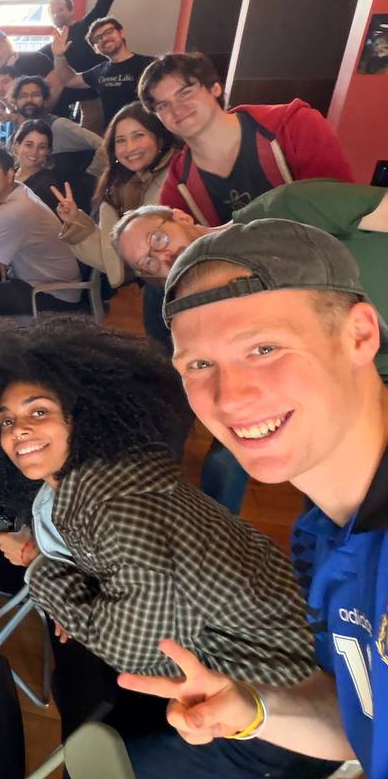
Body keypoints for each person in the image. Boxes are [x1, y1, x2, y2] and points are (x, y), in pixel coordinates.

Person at [0, 318, 339, 779]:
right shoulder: (109, 476)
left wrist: (37, 564)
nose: (18, 431)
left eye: (39, 412)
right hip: (247, 674)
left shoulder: (117, 510)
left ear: (83, 415)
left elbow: (140, 651)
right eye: (7, 421)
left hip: (281, 715)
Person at [120, 219, 388, 775]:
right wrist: (251, 711)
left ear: (360, 334)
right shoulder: (323, 531)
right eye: (199, 365)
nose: (231, 396)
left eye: (263, 348)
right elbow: (365, 720)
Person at [112, 179, 388, 378]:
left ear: (181, 217)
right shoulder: (231, 319)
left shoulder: (287, 207)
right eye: (149, 262)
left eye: (158, 238)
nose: (164, 255)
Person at [139, 52, 353, 224]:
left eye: (185, 93)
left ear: (215, 88)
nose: (177, 109)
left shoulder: (294, 125)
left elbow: (340, 208)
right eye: (163, 105)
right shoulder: (178, 189)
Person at [54, 102, 181, 341]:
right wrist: (75, 221)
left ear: (159, 139)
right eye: (120, 140)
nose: (129, 147)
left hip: (175, 297)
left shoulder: (172, 182)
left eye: (138, 136)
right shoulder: (122, 187)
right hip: (147, 301)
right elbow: (110, 261)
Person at [0, 141, 85, 322]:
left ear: (9, 175)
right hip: (27, 276)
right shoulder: (7, 192)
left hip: (53, 293)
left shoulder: (14, 209)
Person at [34, 0, 125, 122]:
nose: (57, 14)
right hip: (67, 91)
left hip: (92, 87)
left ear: (71, 11)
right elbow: (31, 59)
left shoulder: (85, 26)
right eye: (53, 12)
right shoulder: (55, 44)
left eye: (61, 9)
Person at [49, 16, 155, 130]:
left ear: (121, 33)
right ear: (95, 49)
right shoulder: (99, 72)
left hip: (149, 133)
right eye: (97, 39)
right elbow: (69, 80)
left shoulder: (150, 65)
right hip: (114, 138)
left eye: (109, 32)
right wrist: (58, 56)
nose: (104, 38)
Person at [10, 75, 104, 168]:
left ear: (45, 100)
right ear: (15, 102)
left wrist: (91, 177)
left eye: (35, 95)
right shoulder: (14, 135)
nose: (29, 100)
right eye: (23, 96)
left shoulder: (58, 126)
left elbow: (103, 146)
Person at [11, 119, 58, 210]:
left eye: (41, 147)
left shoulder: (46, 187)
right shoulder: (11, 171)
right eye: (29, 145)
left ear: (48, 151)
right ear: (17, 146)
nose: (34, 152)